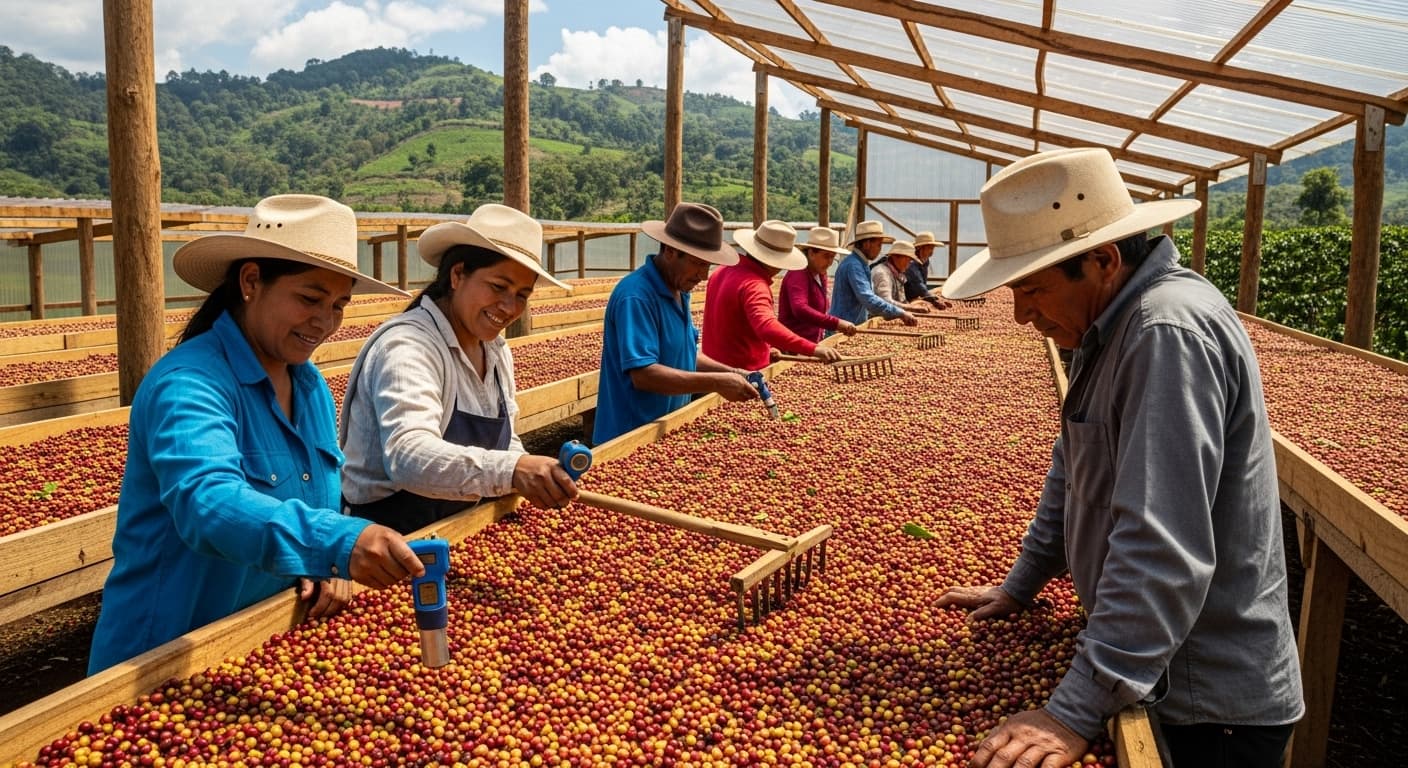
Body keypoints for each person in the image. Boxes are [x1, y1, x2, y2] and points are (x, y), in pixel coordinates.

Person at [936, 148, 1303, 768]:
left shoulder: (1164, 334)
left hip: (1202, 705)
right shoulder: (1107, 326)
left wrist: (1073, 709)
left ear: (1104, 260)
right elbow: (1073, 467)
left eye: (1031, 287)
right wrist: (1022, 583)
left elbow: (1162, 541)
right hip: (1149, 669)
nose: (1021, 314)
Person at [89, 194, 426, 674]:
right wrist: (336, 543)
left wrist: (321, 566)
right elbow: (208, 503)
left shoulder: (309, 387)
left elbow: (314, 505)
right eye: (310, 298)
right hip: (161, 657)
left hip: (257, 644)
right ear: (251, 281)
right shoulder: (189, 383)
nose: (325, 321)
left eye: (338, 305)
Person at [339, 204, 580, 535]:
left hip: (460, 528)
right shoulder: (408, 347)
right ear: (457, 275)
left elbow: (506, 443)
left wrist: (531, 470)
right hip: (389, 538)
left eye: (522, 295)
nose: (510, 307)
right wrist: (512, 470)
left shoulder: (495, 351)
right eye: (498, 287)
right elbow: (408, 458)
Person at [592, 202, 758, 445]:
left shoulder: (679, 289)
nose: (703, 275)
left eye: (708, 265)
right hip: (627, 437)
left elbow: (687, 354)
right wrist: (717, 382)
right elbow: (644, 374)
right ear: (670, 250)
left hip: (664, 430)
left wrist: (733, 372)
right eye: (698, 263)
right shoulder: (636, 296)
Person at [701, 220, 844, 371]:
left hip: (712, 367)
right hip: (741, 373)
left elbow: (736, 323)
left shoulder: (722, 270)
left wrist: (766, 347)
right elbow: (766, 326)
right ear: (775, 261)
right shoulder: (754, 285)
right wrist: (813, 349)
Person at [828, 219, 918, 327]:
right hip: (841, 327)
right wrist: (900, 313)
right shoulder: (854, 265)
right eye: (878, 245)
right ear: (867, 244)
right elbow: (868, 299)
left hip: (850, 326)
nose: (879, 250)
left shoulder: (860, 263)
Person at [778, 226, 859, 342]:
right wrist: (836, 323)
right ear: (811, 253)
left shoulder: (820, 274)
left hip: (811, 343)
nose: (830, 262)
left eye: (832, 257)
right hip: (793, 344)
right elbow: (800, 309)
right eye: (826, 256)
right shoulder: (798, 273)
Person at [870, 240, 933, 315]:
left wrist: (915, 303)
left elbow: (901, 300)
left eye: (910, 261)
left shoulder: (898, 274)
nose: (908, 264)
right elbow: (886, 301)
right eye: (907, 259)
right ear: (895, 256)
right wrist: (911, 308)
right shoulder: (882, 273)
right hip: (876, 318)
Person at [904, 231, 950, 309]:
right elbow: (918, 283)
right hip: (904, 298)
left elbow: (923, 282)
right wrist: (933, 299)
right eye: (929, 247)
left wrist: (929, 297)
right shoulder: (911, 262)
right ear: (920, 248)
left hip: (915, 296)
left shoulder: (925, 260)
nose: (932, 250)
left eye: (933, 247)